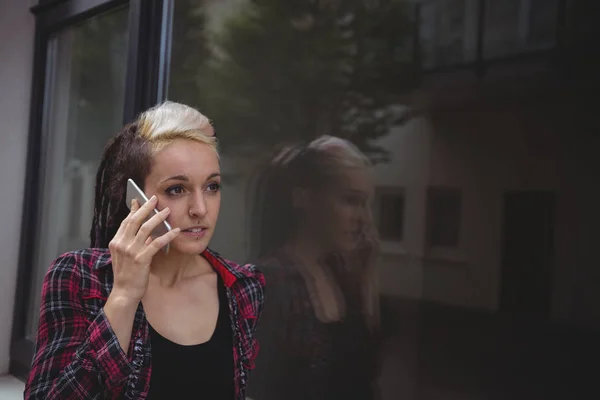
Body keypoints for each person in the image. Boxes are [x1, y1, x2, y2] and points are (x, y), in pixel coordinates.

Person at [24, 101, 265, 400]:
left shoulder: (243, 287)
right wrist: (123, 296)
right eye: (176, 189)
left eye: (212, 186)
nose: (200, 209)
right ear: (134, 198)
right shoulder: (78, 276)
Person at [246, 136, 382, 400]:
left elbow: (365, 376)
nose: (364, 219)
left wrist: (366, 281)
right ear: (303, 198)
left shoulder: (342, 275)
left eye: (367, 205)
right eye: (351, 201)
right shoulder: (271, 283)